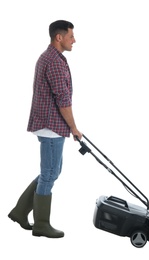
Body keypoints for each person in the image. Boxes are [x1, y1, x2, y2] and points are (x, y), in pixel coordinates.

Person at [8, 20, 82, 238]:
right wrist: (74, 128)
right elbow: (63, 101)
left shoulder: (50, 57)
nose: (74, 40)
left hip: (50, 125)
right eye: (71, 36)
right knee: (50, 173)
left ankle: (20, 212)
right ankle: (41, 224)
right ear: (59, 37)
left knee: (51, 172)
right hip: (52, 126)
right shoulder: (55, 62)